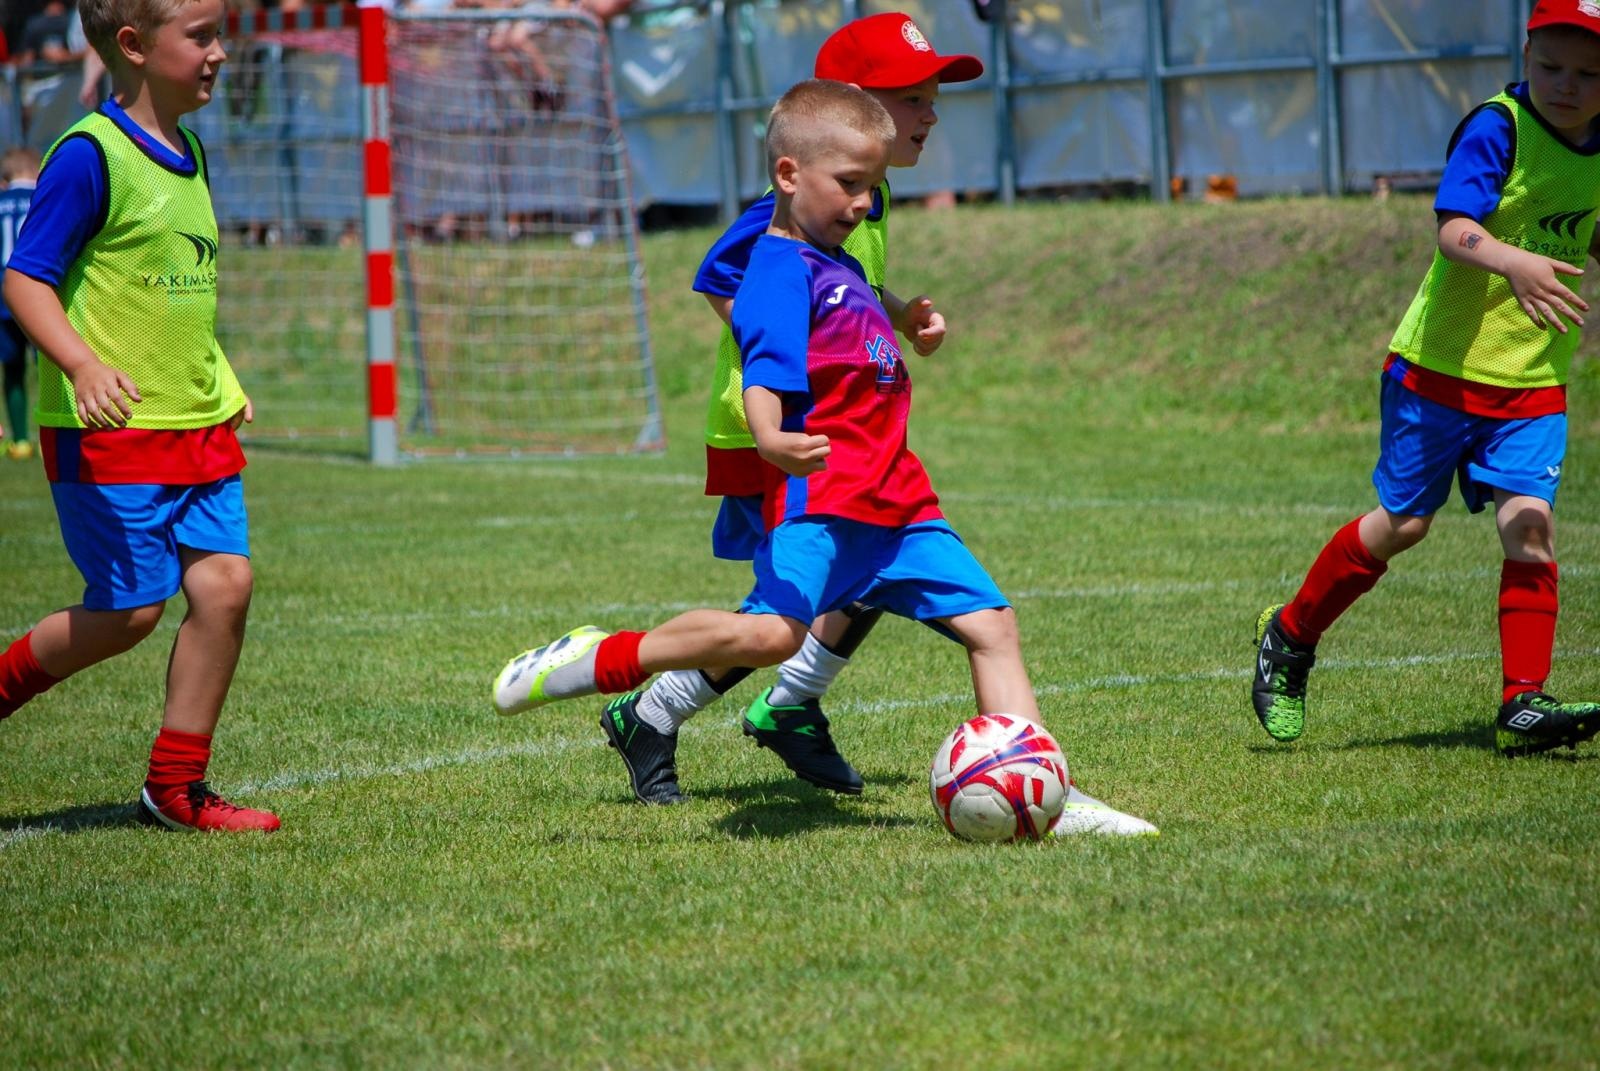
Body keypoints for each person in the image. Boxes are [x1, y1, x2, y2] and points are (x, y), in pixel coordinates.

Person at [494, 79, 1156, 837]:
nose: (861, 204)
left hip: (900, 504)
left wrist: (904, 319)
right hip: (826, 500)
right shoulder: (780, 267)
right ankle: (600, 656)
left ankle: (1046, 791)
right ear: (787, 174)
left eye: (871, 189)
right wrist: (771, 436)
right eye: (848, 185)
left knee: (993, 625)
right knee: (771, 636)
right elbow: (767, 357)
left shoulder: (837, 259)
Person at [587, 13, 976, 805]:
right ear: (852, 107)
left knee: (860, 562)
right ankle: (673, 705)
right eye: (913, 97)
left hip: (833, 432)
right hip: (770, 431)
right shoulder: (785, 202)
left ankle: (779, 703)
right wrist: (795, 366)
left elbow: (843, 283)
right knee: (801, 593)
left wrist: (896, 314)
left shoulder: (867, 198)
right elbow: (720, 277)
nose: (930, 112)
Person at [1251, 0, 1600, 759]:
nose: (1566, 86)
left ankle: (1522, 705)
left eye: (1587, 74)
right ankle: (1290, 633)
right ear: (1526, 51)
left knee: (1531, 529)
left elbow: (1583, 221)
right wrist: (1513, 259)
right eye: (1550, 67)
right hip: (1438, 371)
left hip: (1533, 381)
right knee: (1404, 525)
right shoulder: (1499, 126)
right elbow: (1452, 226)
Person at [0, 0, 279, 831]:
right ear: (133, 45)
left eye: (220, 34)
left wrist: (222, 378)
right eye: (201, 37)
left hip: (196, 422)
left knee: (226, 585)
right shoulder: (91, 156)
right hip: (110, 430)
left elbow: (176, 296)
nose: (220, 54)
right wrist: (80, 365)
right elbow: (24, 278)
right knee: (128, 610)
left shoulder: (190, 151)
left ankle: (177, 785)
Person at [0, 146, 40, 460]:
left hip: (3, 298)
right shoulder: (43, 200)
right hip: (39, 296)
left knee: (12, 370)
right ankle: (55, 435)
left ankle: (21, 441)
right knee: (52, 369)